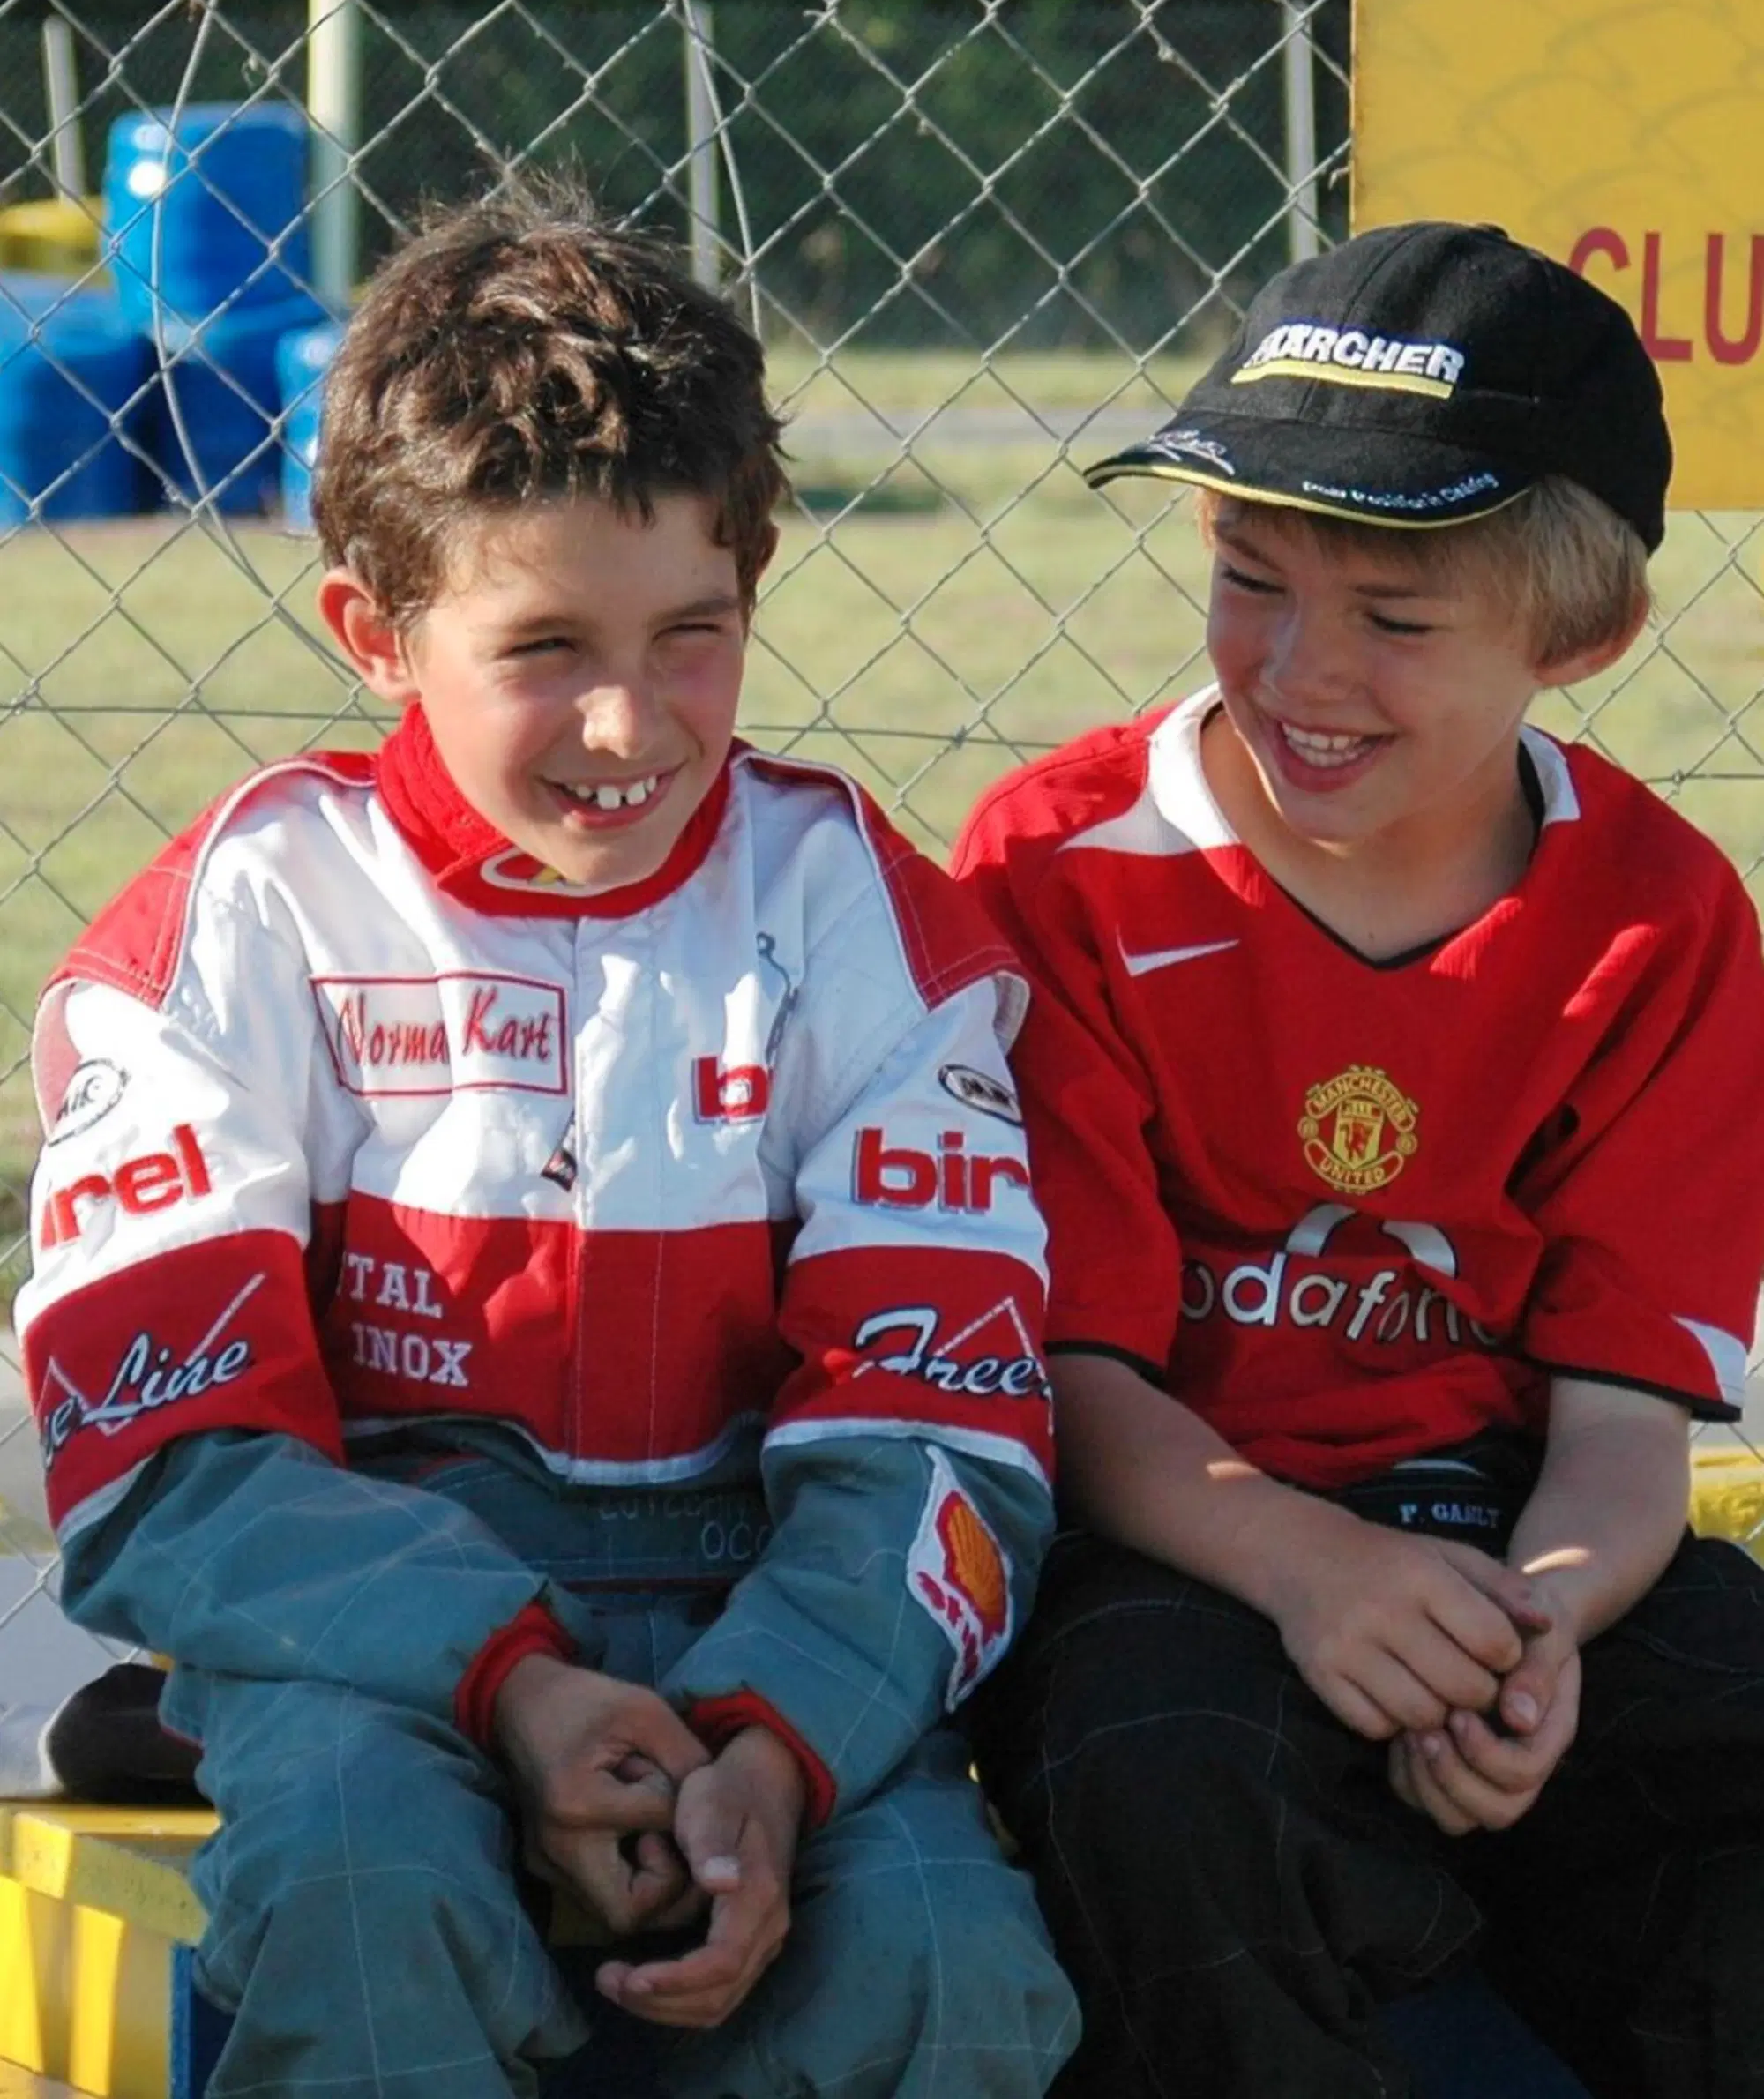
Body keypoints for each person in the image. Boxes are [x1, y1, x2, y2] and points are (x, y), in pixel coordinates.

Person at [14, 181, 1078, 2099]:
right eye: (545, 644)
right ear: (375, 629)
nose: (625, 720)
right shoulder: (242, 921)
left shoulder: (859, 914)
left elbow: (949, 1423)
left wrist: (780, 1740)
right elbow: (166, 1452)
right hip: (378, 1629)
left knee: (943, 1956)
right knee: (363, 1891)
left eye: (692, 634)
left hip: (777, 1606)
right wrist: (506, 1678)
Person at [951, 220, 1764, 2099]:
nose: (1301, 668)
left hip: (1522, 1536)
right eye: (1249, 580)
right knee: (1151, 1772)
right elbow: (1072, 1383)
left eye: (1396, 620)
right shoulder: (1059, 867)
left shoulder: (1661, 915)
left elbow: (1625, 1415)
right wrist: (1315, 1572)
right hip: (1188, 1536)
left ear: (1577, 637)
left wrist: (1541, 1623)